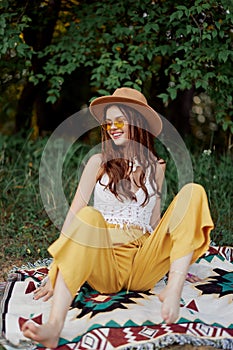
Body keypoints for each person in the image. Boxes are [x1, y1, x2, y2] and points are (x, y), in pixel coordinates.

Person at [22, 87, 214, 349]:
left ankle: (174, 289)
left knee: (193, 192)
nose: (112, 127)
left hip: (143, 264)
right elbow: (75, 213)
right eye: (109, 122)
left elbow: (155, 221)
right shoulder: (98, 162)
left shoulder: (157, 166)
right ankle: (54, 326)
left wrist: (174, 259)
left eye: (119, 120)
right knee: (89, 215)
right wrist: (57, 266)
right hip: (106, 264)